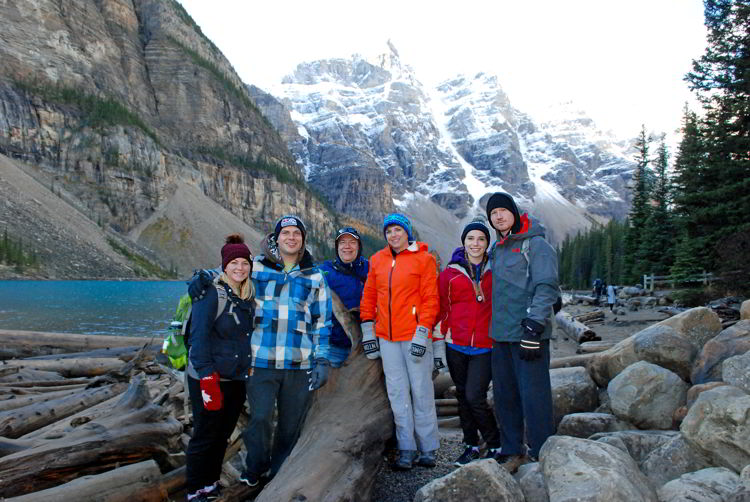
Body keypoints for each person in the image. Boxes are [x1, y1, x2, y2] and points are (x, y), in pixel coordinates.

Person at [188, 215, 333, 488]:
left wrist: (322, 358)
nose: (291, 237)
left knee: (290, 426)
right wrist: (204, 276)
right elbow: (230, 272)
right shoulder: (257, 267)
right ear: (276, 238)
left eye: (297, 234)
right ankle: (254, 468)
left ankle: (279, 472)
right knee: (260, 419)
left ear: (303, 239)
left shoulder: (315, 275)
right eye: (286, 233)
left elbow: (322, 322)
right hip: (260, 361)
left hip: (299, 363)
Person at [359, 213, 441, 470]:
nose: (393, 235)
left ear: (407, 232)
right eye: (389, 231)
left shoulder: (424, 259)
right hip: (387, 338)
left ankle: (428, 447)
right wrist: (368, 330)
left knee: (421, 391)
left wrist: (423, 330)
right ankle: (406, 447)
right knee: (397, 393)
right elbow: (370, 295)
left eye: (398, 230)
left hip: (414, 336)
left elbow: (431, 299)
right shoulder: (377, 260)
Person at [485, 192, 559, 472]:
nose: (499, 216)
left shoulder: (535, 244)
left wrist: (535, 325)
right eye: (493, 214)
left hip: (529, 335)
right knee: (505, 396)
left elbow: (547, 286)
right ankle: (512, 450)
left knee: (535, 395)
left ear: (514, 213)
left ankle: (542, 452)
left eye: (503, 211)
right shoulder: (498, 248)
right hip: (501, 335)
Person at [185, 234, 254, 502]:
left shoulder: (246, 295)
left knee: (221, 435)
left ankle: (210, 484)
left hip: (235, 379)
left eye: (244, 262)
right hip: (209, 377)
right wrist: (206, 377)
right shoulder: (210, 292)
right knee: (204, 435)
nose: (239, 267)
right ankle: (194, 490)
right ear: (224, 265)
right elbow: (198, 337)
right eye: (234, 262)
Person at [437, 217, 501, 466]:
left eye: (481, 239)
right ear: (463, 241)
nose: (476, 243)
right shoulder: (450, 274)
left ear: (487, 243)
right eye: (471, 238)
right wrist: (436, 341)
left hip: (485, 345)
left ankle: (494, 444)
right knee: (463, 397)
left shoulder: (496, 271)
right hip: (455, 344)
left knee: (475, 396)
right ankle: (470, 445)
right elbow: (441, 309)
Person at [319, 226, 369, 367]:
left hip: (364, 349)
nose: (347, 246)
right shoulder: (324, 271)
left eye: (352, 242)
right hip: (332, 346)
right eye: (342, 242)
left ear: (359, 246)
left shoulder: (371, 269)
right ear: (336, 247)